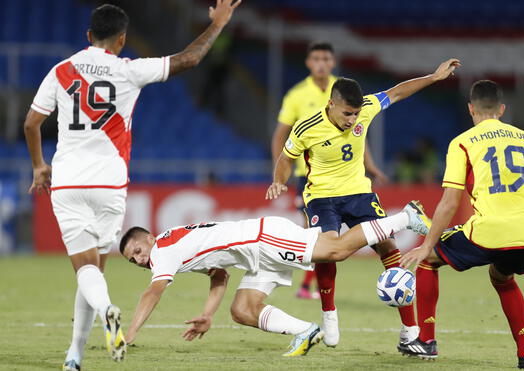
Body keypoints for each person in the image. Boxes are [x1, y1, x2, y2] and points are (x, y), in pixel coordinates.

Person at [23, 2, 241, 370]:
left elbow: (31, 124)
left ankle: (84, 340)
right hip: (109, 183)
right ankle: (76, 350)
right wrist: (218, 23)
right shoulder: (130, 70)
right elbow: (189, 59)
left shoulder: (61, 71)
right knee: (96, 266)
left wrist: (39, 166)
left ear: (88, 36)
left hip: (68, 181)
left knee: (85, 269)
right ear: (122, 39)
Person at [266, 58, 461, 348]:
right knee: (327, 252)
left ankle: (410, 331)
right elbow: (286, 158)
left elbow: (397, 92)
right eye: (347, 113)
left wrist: (433, 77)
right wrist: (279, 180)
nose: (352, 120)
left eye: (356, 114)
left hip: (359, 192)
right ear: (331, 104)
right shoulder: (306, 128)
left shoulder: (366, 108)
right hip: (321, 197)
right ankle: (329, 315)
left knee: (388, 247)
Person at [399, 80, 524, 369]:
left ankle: (427, 341)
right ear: (502, 109)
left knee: (428, 261)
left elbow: (449, 202)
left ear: (471, 109)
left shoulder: (463, 142)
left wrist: (426, 245)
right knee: (502, 277)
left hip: (488, 231)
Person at [119, 201, 430, 357]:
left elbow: (152, 293)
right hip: (256, 253)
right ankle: (306, 331)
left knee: (334, 251)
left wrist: (129, 334)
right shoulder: (173, 243)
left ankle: (406, 217)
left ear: (148, 237)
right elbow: (220, 274)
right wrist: (207, 314)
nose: (138, 259)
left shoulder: (162, 251)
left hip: (263, 240)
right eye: (132, 260)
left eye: (137, 250)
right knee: (242, 309)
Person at [270, 41, 389, 300]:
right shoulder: (296, 95)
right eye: (316, 59)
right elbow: (281, 137)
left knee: (324, 238)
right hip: (310, 176)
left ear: (332, 62)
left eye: (326, 59)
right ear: (309, 63)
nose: (321, 63)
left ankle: (305, 284)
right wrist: (278, 176)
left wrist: (370, 167)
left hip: (349, 181)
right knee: (316, 235)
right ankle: (301, 282)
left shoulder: (347, 91)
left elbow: (357, 135)